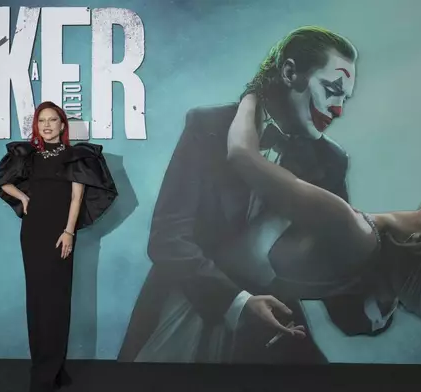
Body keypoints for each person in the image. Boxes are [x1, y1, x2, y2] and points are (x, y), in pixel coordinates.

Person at [118, 26, 359, 363]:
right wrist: (239, 303)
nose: (338, 110)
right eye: (332, 90)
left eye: (344, 98)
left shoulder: (331, 163)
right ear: (290, 72)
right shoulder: (207, 126)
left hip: (272, 335)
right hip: (182, 316)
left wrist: (398, 287)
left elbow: (336, 274)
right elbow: (168, 238)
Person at [224, 93, 421, 338]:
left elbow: (240, 155)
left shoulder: (349, 229)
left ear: (418, 243)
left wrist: (253, 96)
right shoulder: (366, 271)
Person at [0, 101, 117, 392]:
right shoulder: (29, 156)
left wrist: (69, 232)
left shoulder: (76, 157)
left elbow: (77, 199)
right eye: (42, 121)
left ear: (63, 125)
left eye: (53, 120)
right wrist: (23, 199)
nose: (47, 125)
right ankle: (45, 370)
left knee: (57, 302)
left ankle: (51, 370)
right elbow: (3, 182)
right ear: (37, 126)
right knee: (36, 302)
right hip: (32, 233)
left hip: (59, 234)